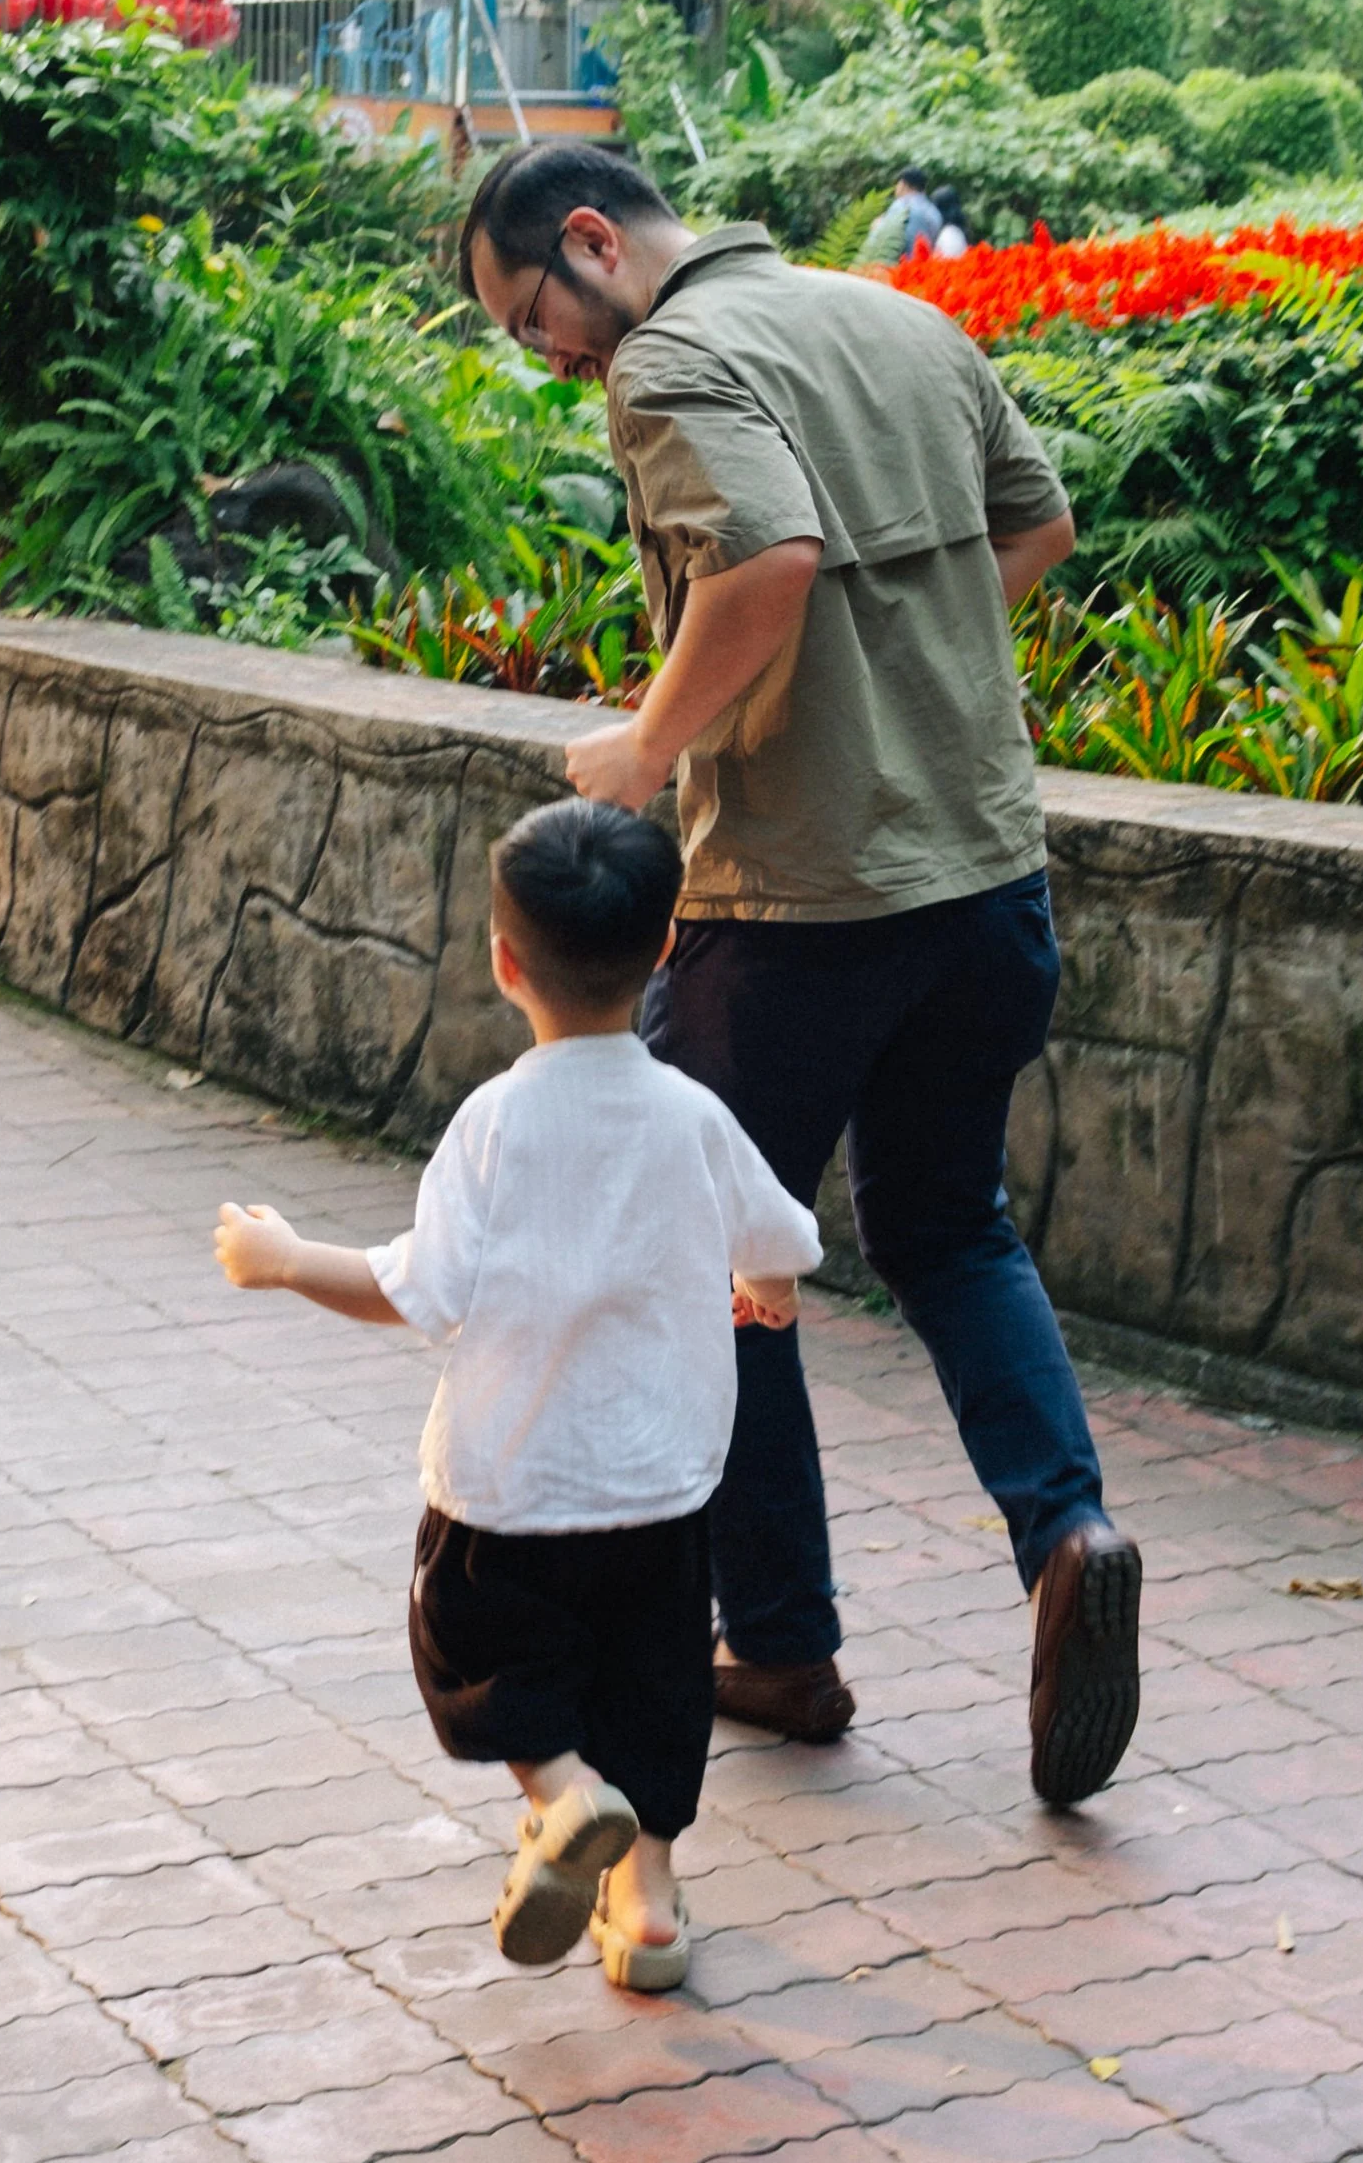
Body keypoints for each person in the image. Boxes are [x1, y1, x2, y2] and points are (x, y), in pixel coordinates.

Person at [459, 140, 1142, 1811]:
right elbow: (1038, 520)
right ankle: (1070, 1532)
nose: (543, 354)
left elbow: (764, 564)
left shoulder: (674, 358)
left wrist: (646, 747)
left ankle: (777, 1642)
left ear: (597, 244)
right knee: (947, 1225)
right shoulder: (892, 320)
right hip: (984, 881)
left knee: (721, 1260)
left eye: (528, 313)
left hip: (792, 911)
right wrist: (902, 673)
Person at [213, 797, 821, 1988]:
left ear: (503, 963)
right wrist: (763, 1283)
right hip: (661, 1488)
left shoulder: (494, 1123)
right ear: (661, 951)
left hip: (510, 1487)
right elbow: (781, 1237)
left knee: (474, 1655)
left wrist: (283, 1261)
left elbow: (417, 1291)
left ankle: (560, 1794)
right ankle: (645, 1911)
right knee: (653, 1690)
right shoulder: (693, 1115)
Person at [857, 163, 944, 264]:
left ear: (903, 184)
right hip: (923, 268)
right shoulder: (934, 212)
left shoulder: (900, 205)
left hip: (898, 266)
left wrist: (877, 226)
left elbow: (884, 240)